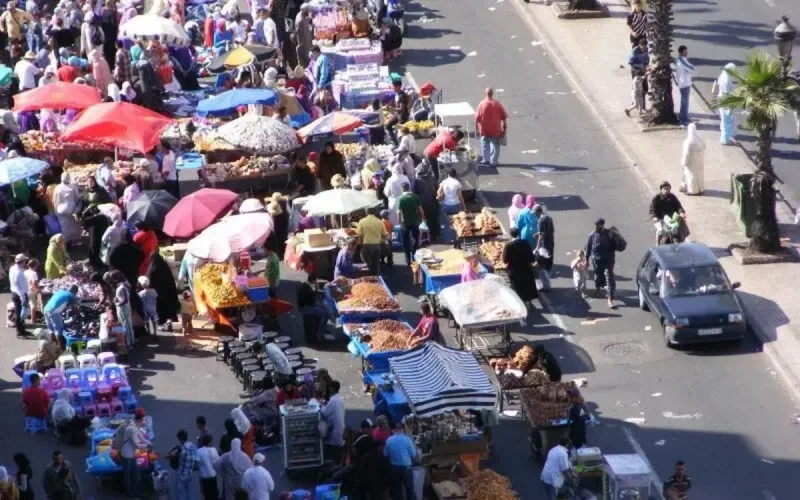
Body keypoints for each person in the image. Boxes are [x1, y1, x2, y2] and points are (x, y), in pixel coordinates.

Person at [116, 409, 150, 497]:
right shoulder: (131, 428)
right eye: (143, 418)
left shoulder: (135, 424)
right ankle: (130, 494)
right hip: (127, 456)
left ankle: (136, 491)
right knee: (128, 476)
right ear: (141, 418)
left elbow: (141, 437)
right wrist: (147, 447)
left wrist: (149, 443)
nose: (144, 420)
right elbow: (136, 445)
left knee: (136, 474)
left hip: (132, 455)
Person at [585, 218, 617, 308]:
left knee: (609, 277)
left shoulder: (609, 234)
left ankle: (610, 299)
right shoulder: (592, 235)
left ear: (602, 225)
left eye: (597, 225)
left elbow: (616, 245)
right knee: (598, 276)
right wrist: (586, 260)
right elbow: (588, 248)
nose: (595, 227)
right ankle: (598, 288)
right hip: (597, 261)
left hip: (608, 260)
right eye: (594, 225)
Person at [384, 422, 419, 500]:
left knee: (397, 490)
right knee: (410, 490)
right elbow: (413, 454)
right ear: (403, 429)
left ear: (395, 429)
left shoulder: (389, 440)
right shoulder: (407, 440)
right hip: (406, 467)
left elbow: (385, 454)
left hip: (394, 468)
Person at [503, 227, 538, 304]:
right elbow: (531, 256)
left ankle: (521, 301)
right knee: (527, 283)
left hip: (514, 270)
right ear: (519, 233)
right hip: (526, 268)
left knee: (518, 286)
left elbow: (505, 260)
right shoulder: (525, 242)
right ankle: (528, 299)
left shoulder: (508, 245)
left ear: (511, 235)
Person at [475, 88, 508, 166]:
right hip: (495, 129)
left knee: (484, 143)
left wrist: (476, 127)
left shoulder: (481, 104)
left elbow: (477, 117)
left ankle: (486, 159)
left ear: (485, 93)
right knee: (495, 144)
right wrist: (504, 124)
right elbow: (504, 115)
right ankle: (493, 161)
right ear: (492, 94)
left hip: (484, 128)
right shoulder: (497, 104)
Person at [397, 182, 425, 266]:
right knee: (415, 239)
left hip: (405, 223)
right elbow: (421, 210)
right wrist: (423, 219)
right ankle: (414, 257)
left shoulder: (401, 198)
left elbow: (399, 213)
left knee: (405, 241)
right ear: (409, 188)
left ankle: (407, 260)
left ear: (402, 189)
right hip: (415, 222)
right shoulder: (415, 196)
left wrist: (400, 223)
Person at [712, 63, 738, 145]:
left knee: (724, 120)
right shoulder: (727, 79)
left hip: (721, 99)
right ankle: (727, 139)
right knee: (728, 120)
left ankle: (724, 138)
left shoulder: (722, 76)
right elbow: (727, 91)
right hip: (726, 101)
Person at [357, 208, 389, 275]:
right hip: (377, 245)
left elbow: (359, 235)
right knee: (376, 265)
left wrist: (360, 245)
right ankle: (376, 280)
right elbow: (385, 235)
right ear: (375, 212)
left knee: (366, 265)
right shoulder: (379, 221)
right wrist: (382, 240)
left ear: (366, 212)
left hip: (366, 246)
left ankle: (368, 280)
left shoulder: (362, 221)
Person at [321, 380, 346, 464]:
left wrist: (322, 405)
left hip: (334, 426)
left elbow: (325, 413)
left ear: (332, 388)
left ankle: (335, 461)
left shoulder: (333, 401)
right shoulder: (340, 399)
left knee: (334, 444)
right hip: (340, 424)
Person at [107, 270, 135, 348]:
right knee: (129, 324)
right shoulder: (126, 284)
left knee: (125, 325)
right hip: (127, 306)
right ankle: (131, 342)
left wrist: (116, 302)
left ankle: (128, 343)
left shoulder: (122, 287)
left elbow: (124, 300)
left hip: (123, 308)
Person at [52, 172, 82, 243]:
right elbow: (77, 198)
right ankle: (74, 240)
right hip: (72, 208)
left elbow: (55, 200)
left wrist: (55, 209)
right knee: (74, 225)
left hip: (61, 209)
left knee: (64, 226)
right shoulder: (73, 186)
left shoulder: (57, 187)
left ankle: (65, 241)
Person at [169, 429, 198, 500]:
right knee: (190, 492)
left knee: (180, 493)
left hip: (181, 474)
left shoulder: (181, 449)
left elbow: (170, 455)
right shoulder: (192, 445)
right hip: (190, 473)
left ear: (179, 439)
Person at [680, 123, 705, 195]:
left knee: (691, 175)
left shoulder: (689, 141)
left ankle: (693, 191)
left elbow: (686, 153)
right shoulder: (700, 138)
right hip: (700, 159)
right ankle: (701, 188)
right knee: (700, 174)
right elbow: (704, 146)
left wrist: (684, 162)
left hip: (692, 161)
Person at [534, 204, 555, 291]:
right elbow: (551, 230)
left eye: (535, 213)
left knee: (541, 265)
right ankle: (547, 279)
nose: (534, 214)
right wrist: (538, 234)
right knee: (548, 263)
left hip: (544, 246)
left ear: (538, 212)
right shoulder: (548, 218)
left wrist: (537, 247)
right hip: (550, 243)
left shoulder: (541, 220)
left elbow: (541, 235)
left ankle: (546, 285)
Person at [9, 253, 29, 337]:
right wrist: (23, 299)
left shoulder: (12, 268)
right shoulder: (19, 273)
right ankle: (19, 331)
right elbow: (20, 288)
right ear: (23, 261)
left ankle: (22, 329)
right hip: (20, 295)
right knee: (20, 313)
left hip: (14, 293)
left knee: (20, 313)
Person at [675, 45, 695, 126]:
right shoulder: (682, 61)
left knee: (685, 102)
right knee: (684, 102)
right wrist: (690, 68)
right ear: (682, 52)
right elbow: (691, 68)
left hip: (683, 83)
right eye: (685, 52)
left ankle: (684, 117)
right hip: (684, 84)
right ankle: (683, 120)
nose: (687, 53)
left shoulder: (681, 60)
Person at [386, 80, 409, 145]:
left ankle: (401, 145)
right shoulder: (397, 94)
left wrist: (393, 109)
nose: (392, 88)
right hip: (397, 114)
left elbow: (402, 109)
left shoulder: (401, 95)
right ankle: (395, 143)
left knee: (401, 132)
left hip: (402, 116)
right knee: (388, 126)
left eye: (393, 86)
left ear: (398, 86)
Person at [196, 434, 219, 500]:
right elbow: (218, 462)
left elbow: (197, 465)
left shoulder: (198, 451)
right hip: (213, 476)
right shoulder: (214, 450)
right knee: (214, 494)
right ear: (210, 442)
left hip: (204, 477)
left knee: (206, 495)